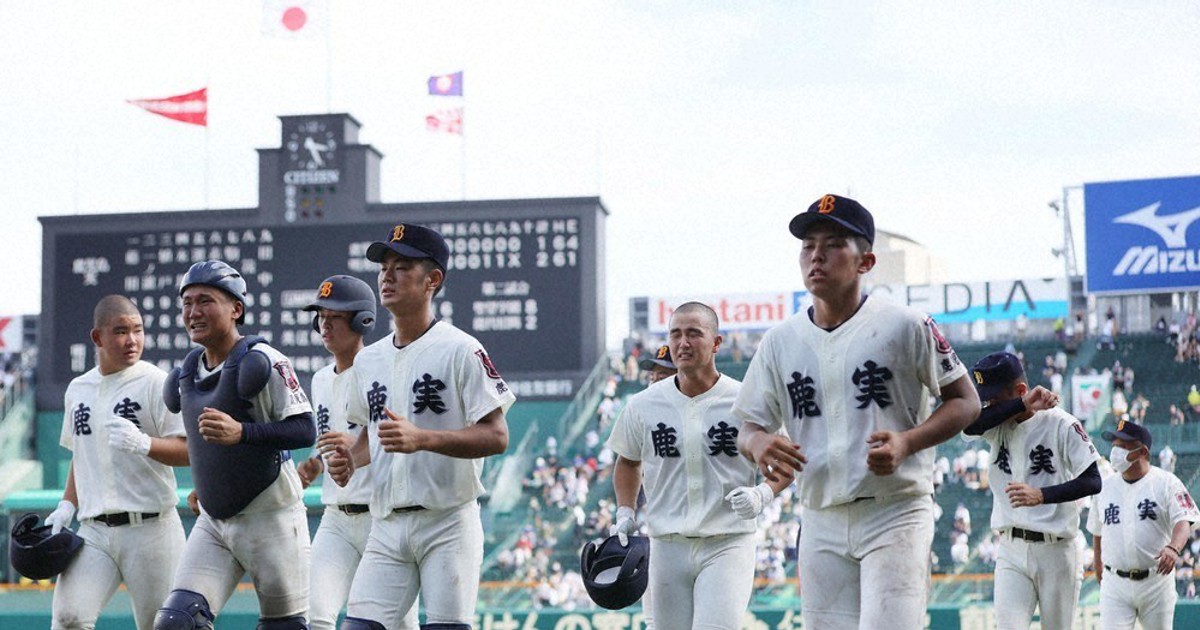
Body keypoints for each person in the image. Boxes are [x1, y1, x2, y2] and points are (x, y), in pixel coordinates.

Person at [735, 194, 980, 629]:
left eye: (832, 244)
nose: (816, 255)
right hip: (820, 516)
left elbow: (966, 401)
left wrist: (908, 441)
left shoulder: (906, 324)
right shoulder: (779, 341)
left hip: (896, 510)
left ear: (865, 261)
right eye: (808, 245)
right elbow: (747, 426)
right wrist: (758, 442)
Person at [325, 224, 515, 630]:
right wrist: (350, 460)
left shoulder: (462, 349)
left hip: (447, 522)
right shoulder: (369, 360)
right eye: (384, 266)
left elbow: (498, 436)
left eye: (403, 266)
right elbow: (370, 436)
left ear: (433, 280)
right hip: (387, 524)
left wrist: (423, 438)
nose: (387, 275)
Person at [607, 302, 790, 630]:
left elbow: (785, 459)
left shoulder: (745, 399)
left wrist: (763, 493)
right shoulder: (643, 404)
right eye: (675, 334)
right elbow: (627, 460)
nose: (683, 343)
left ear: (716, 343)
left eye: (694, 333)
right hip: (667, 543)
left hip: (727, 541)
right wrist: (624, 511)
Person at [155, 260, 315, 629]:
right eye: (187, 302)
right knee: (177, 622)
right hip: (214, 521)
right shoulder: (189, 371)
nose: (193, 312)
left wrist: (242, 432)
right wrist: (213, 482)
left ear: (236, 309)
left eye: (206, 301)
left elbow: (305, 430)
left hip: (271, 519)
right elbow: (205, 443)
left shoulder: (265, 360)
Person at [47, 295, 189, 629]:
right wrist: (67, 504)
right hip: (95, 530)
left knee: (162, 625)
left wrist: (145, 444)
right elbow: (82, 455)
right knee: (69, 618)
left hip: (152, 528)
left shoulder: (157, 382)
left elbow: (188, 451)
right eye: (121, 331)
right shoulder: (78, 389)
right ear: (98, 338)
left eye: (138, 330)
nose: (132, 340)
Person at [294, 275, 418, 630]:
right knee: (314, 617)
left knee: (399, 627)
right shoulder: (319, 379)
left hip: (382, 517)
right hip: (335, 517)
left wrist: (360, 450)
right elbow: (336, 440)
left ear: (362, 320)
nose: (324, 325)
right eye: (321, 316)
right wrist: (316, 465)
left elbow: (395, 438)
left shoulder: (383, 367)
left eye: (335, 317)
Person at [963, 351, 1101, 630]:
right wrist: (1020, 404)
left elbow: (1093, 481)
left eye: (994, 396)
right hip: (1011, 549)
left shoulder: (1061, 423)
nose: (987, 402)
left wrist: (1043, 495)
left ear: (1021, 390)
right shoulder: (993, 424)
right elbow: (968, 423)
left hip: (1057, 550)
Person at [1088, 421, 1199, 629]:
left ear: (1142, 451)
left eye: (1122, 445)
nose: (1115, 451)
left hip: (1156, 581)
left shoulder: (1166, 482)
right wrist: (1098, 566)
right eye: (1114, 444)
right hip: (1115, 583)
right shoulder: (1105, 488)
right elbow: (1097, 530)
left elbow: (1184, 520)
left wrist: (1174, 547)